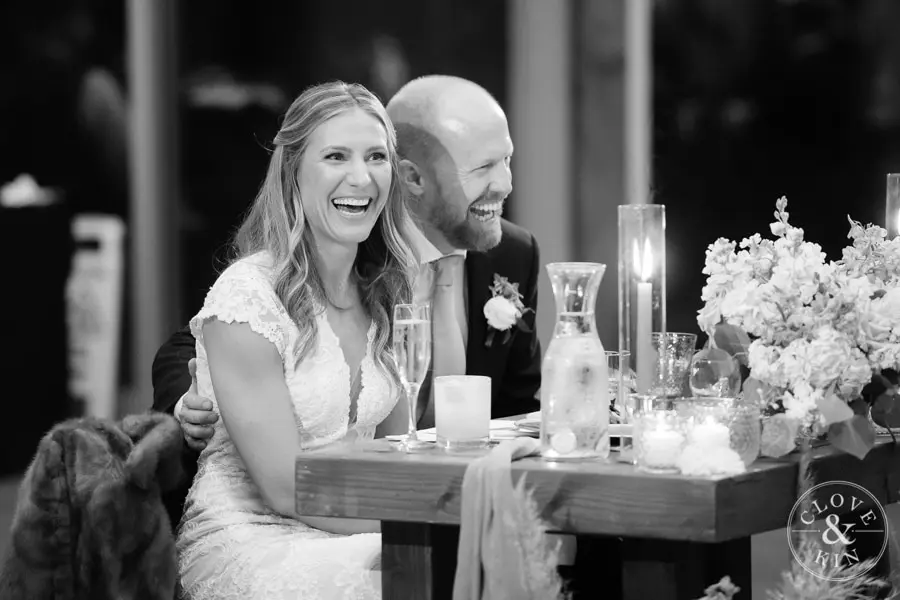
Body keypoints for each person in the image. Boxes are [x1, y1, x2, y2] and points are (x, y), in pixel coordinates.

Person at [151, 74, 542, 518]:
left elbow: (513, 407)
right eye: (482, 167)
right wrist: (193, 401)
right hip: (275, 522)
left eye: (507, 160)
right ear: (412, 177)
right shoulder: (256, 289)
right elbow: (212, 337)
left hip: (404, 499)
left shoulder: (498, 257)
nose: (505, 183)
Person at [169, 81, 418, 599]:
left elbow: (399, 451)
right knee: (412, 572)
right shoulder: (247, 296)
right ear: (293, 174)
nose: (361, 176)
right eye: (336, 156)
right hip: (251, 536)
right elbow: (285, 489)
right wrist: (422, 525)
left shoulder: (386, 292)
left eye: (376, 156)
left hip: (353, 531)